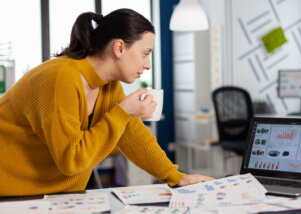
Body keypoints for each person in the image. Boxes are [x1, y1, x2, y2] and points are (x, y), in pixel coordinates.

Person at [0, 8, 213, 196]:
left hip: (54, 196)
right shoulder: (61, 79)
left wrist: (175, 176)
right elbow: (72, 160)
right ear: (119, 48)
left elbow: (135, 137)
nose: (148, 64)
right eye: (145, 53)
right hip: (11, 192)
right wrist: (122, 112)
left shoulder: (108, 86)